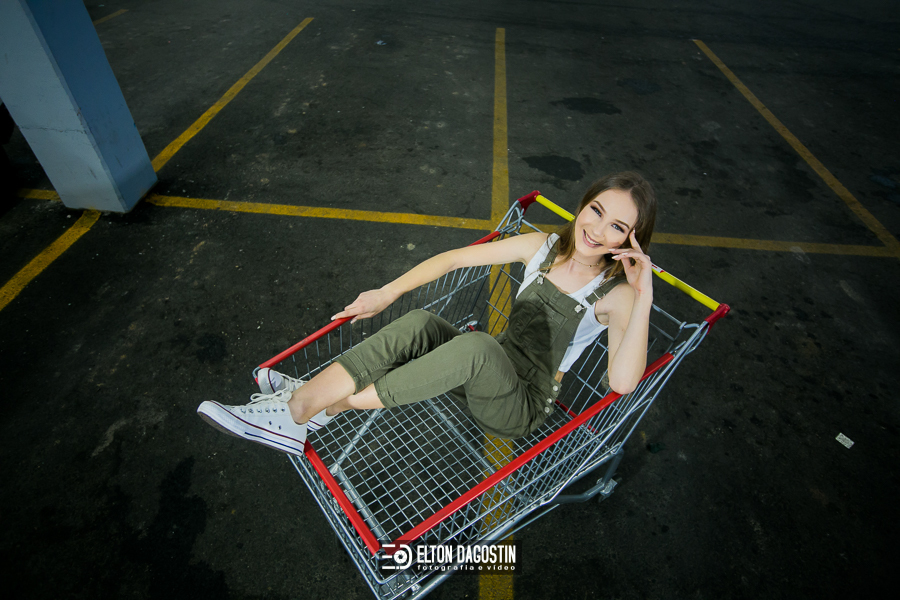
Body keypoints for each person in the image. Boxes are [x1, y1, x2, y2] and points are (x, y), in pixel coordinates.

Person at [198, 172, 657, 456]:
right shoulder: (543, 248)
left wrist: (644, 295)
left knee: (476, 346)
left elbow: (621, 383)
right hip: (484, 370)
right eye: (596, 210)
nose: (597, 229)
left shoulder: (616, 295)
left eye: (617, 226)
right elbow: (454, 259)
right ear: (582, 205)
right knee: (422, 324)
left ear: (631, 240)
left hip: (519, 404)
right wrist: (386, 292)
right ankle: (310, 404)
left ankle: (307, 405)